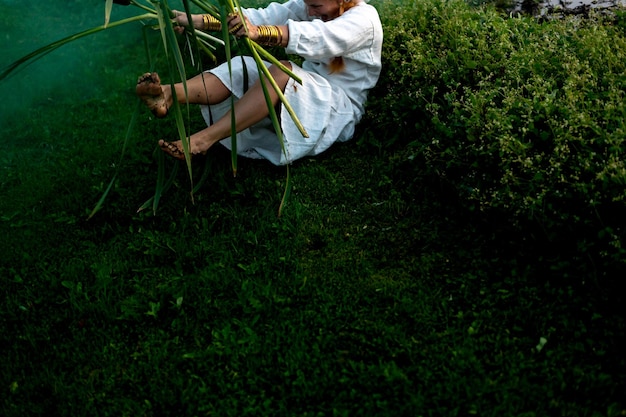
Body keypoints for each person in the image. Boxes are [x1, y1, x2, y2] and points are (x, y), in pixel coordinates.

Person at [135, 0, 383, 166]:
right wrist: (193, 20)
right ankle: (169, 94)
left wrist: (258, 33)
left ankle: (202, 140)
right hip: (308, 93)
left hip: (337, 110)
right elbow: (259, 17)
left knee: (283, 70)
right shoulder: (312, 5)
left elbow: (321, 38)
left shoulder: (364, 20)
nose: (309, 12)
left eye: (315, 6)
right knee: (244, 66)